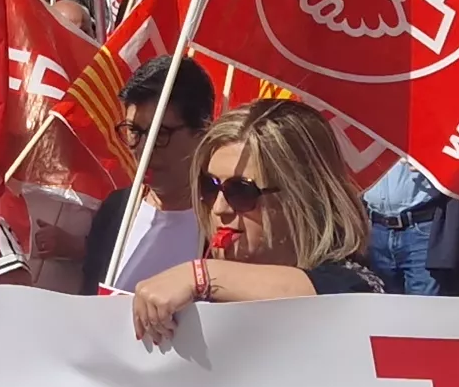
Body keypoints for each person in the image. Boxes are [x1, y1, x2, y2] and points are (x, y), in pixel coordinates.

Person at [132, 101, 386, 342]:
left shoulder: (353, 283)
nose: (220, 208)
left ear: (302, 198)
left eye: (241, 191)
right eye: (209, 186)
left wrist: (201, 275)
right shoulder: (194, 300)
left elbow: (348, 297)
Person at [83, 56, 217, 293]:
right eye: (134, 131)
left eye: (160, 133)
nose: (143, 148)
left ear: (202, 133)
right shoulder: (116, 210)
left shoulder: (227, 221)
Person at [359, 159, 459, 294]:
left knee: (423, 308)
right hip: (377, 230)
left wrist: (436, 163)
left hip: (420, 229)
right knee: (386, 306)